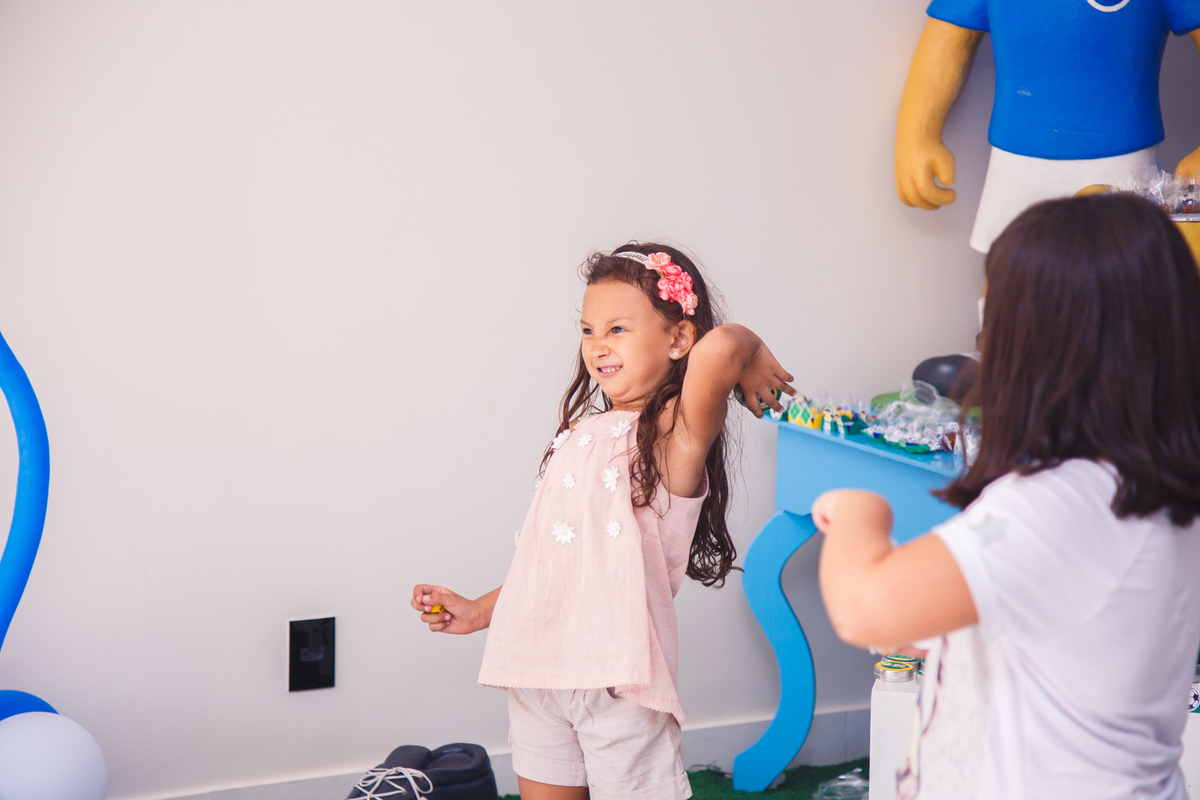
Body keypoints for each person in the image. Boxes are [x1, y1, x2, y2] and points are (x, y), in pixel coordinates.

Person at [814, 194, 1200, 799]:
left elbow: (863, 608)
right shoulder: (1143, 490)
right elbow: (1065, 630)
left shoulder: (1063, 504)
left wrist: (861, 513)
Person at [411, 244, 794, 800]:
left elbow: (720, 351)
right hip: (537, 667)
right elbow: (558, 565)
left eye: (618, 328)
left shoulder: (673, 436)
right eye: (589, 330)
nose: (598, 346)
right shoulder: (585, 432)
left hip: (619, 679)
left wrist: (750, 346)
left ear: (678, 339)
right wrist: (480, 611)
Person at [894, 0, 1200, 253]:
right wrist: (917, 134)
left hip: (1123, 166)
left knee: (1123, 278)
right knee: (1012, 272)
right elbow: (948, 36)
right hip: (1018, 163)